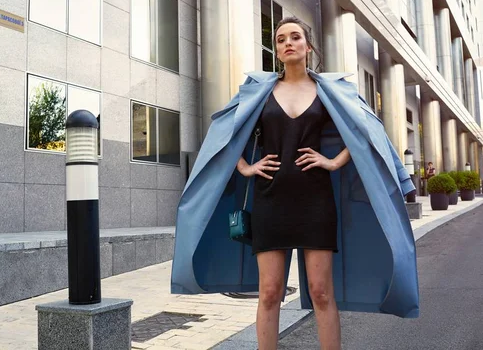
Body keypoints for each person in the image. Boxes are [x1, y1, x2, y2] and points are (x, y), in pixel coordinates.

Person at [171, 17, 419, 350]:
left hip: (316, 202)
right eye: (280, 39)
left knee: (321, 292)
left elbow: (366, 131)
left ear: (308, 46)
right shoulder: (259, 92)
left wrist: (333, 161)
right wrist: (244, 167)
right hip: (269, 202)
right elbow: (223, 135)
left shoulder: (329, 91)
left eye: (295, 37)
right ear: (276, 50)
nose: (288, 43)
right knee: (270, 293)